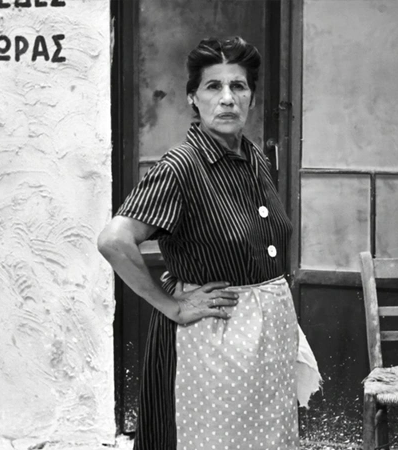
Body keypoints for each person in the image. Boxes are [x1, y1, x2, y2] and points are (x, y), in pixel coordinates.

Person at [98, 36, 320, 450]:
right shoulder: (181, 167)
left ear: (252, 97)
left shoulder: (253, 158)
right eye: (213, 86)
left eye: (238, 86)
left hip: (266, 343)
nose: (228, 98)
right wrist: (172, 305)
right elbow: (114, 240)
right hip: (209, 342)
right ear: (193, 99)